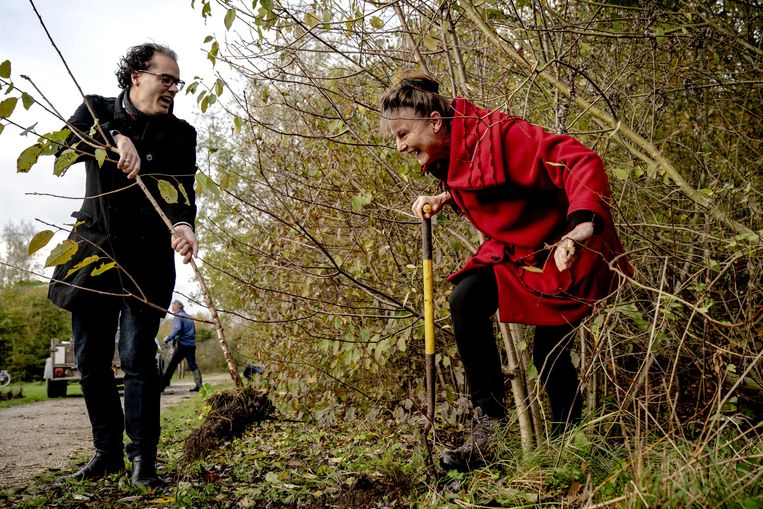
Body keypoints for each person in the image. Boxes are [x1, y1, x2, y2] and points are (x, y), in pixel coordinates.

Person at [380, 71, 631, 471]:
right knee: (465, 299)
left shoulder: (501, 133)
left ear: (435, 122)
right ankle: (489, 431)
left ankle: (569, 449)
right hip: (518, 252)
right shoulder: (452, 151)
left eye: (403, 135)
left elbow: (579, 160)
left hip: (565, 248)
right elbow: (489, 183)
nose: (399, 147)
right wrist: (445, 197)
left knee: (548, 353)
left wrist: (581, 228)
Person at [48, 43, 198, 486]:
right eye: (165, 78)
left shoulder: (181, 133)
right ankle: (106, 453)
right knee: (91, 359)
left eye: (177, 82)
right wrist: (114, 136)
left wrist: (186, 225)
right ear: (136, 76)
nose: (172, 88)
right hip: (94, 254)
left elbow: (184, 194)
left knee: (137, 357)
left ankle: (142, 462)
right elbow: (62, 151)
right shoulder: (95, 110)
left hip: (148, 260)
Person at [161, 300, 202, 392]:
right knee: (192, 365)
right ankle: (199, 385)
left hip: (183, 345)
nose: (172, 308)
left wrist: (168, 337)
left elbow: (177, 328)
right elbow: (193, 332)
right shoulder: (189, 317)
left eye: (173, 306)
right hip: (191, 345)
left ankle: (162, 386)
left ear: (177, 307)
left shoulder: (177, 316)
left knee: (172, 365)